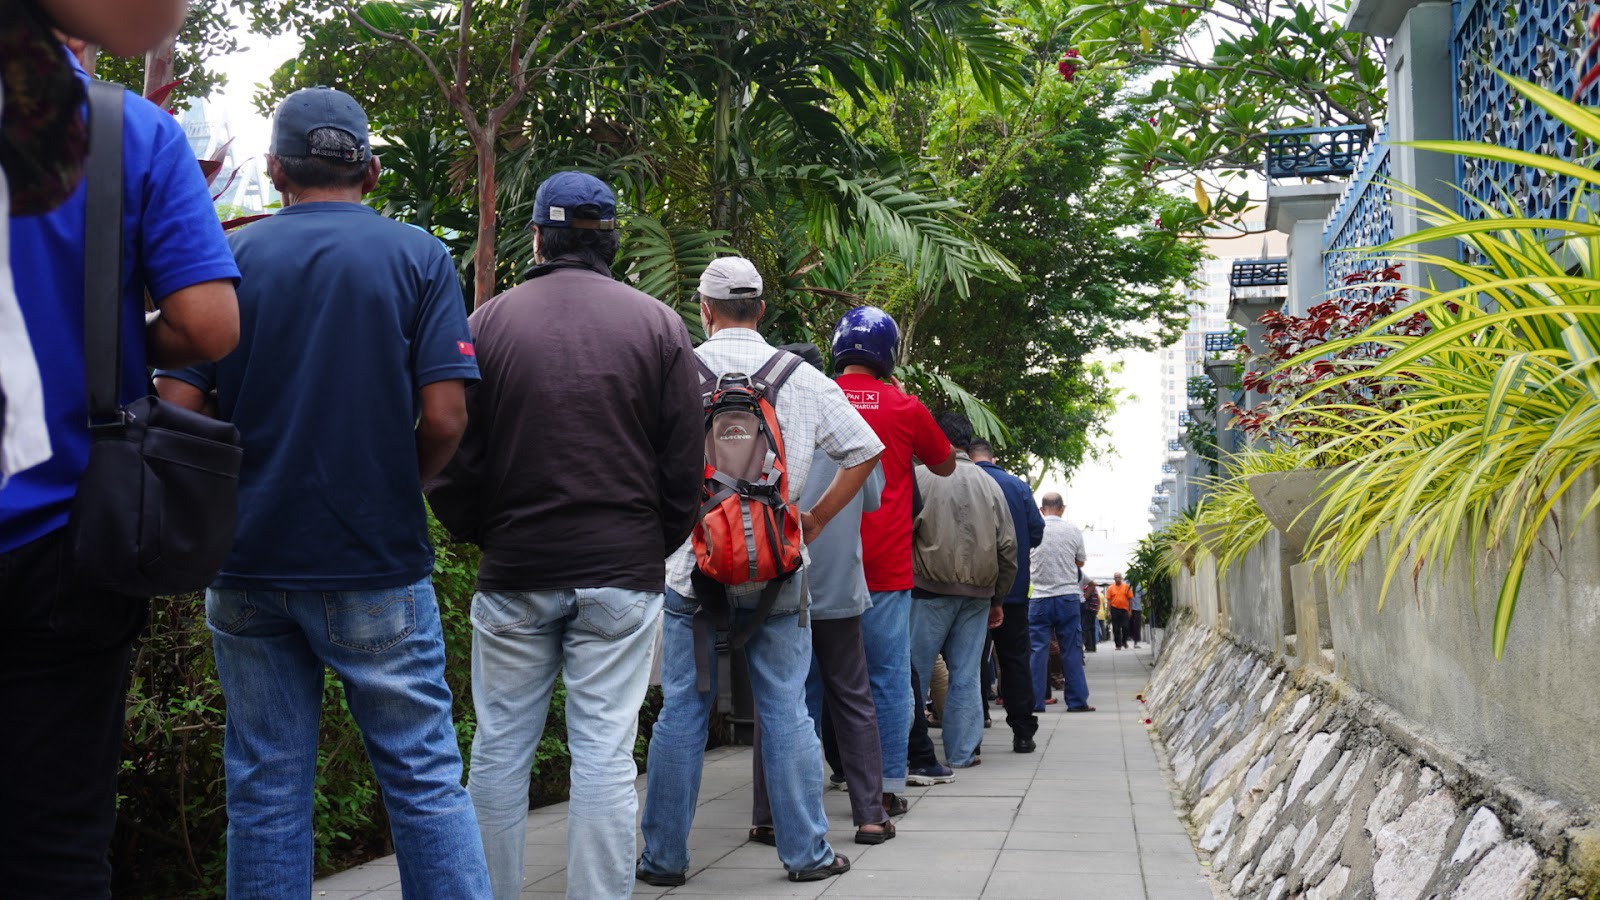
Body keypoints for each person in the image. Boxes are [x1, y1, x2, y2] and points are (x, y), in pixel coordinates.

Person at [154, 88, 489, 898]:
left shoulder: (229, 256)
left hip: (245, 559)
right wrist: (399, 482)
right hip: (374, 555)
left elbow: (175, 408)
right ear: (370, 170)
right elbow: (446, 416)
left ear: (274, 171)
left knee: (265, 787)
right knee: (422, 780)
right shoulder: (418, 257)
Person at [0, 36, 240, 894]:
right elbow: (209, 326)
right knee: (54, 844)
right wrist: (98, 338)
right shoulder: (125, 131)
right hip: (61, 532)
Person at [424, 172, 702, 900]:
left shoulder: (488, 322)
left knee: (498, 754)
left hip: (516, 568)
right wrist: (650, 544)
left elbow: (454, 455)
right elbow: (683, 468)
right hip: (621, 570)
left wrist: (485, 534)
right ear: (612, 239)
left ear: (538, 239)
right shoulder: (659, 325)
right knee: (605, 756)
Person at [638, 257, 883, 887]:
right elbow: (863, 450)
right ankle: (806, 854)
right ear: (764, 312)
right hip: (779, 566)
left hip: (691, 566)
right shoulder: (799, 376)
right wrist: (815, 520)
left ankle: (664, 858)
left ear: (705, 309)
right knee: (786, 710)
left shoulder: (673, 371)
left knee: (682, 713)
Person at [749, 343, 894, 846]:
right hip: (837, 583)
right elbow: (872, 500)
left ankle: (766, 817)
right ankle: (870, 816)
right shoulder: (843, 420)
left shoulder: (758, 419)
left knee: (779, 698)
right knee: (853, 697)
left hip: (780, 578)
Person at [832, 306, 956, 793]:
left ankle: (818, 780)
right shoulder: (905, 407)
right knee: (887, 679)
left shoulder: (814, 394)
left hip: (822, 563)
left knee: (816, 680)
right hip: (885, 565)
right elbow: (945, 465)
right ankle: (885, 785)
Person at [908, 411, 1017, 769]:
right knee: (967, 674)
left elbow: (903, 534)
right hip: (978, 595)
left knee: (914, 674)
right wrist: (998, 597)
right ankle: (962, 752)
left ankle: (907, 751)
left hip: (927, 590)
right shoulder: (990, 484)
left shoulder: (921, 477)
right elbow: (1007, 547)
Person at [967, 439, 1042, 753]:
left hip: (969, 589)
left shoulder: (961, 483)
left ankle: (973, 728)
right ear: (993, 458)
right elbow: (1036, 532)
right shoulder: (1018, 487)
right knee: (1014, 661)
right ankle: (1023, 732)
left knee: (968, 661)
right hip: (1012, 590)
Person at [1028, 494, 1093, 713]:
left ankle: (1036, 702)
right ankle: (1076, 701)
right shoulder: (1073, 530)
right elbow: (1080, 561)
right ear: (1062, 509)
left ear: (1041, 508)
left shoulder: (1032, 529)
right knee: (1071, 650)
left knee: (1037, 651)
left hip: (1039, 597)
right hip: (1067, 596)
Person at [1106, 572, 1134, 650]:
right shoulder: (1110, 588)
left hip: (1124, 609)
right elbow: (1108, 600)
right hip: (1114, 609)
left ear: (1121, 578)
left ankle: (1124, 641)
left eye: (1118, 577)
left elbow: (1130, 599)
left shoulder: (1126, 587)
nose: (1117, 578)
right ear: (1114, 579)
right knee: (1116, 628)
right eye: (1116, 577)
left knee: (1126, 627)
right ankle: (1118, 645)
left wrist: (1130, 610)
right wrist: (1108, 611)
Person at [1081, 578, 1100, 653]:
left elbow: (1085, 597)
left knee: (1086, 628)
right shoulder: (1093, 588)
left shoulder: (1086, 587)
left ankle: (1089, 647)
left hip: (1088, 609)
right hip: (1093, 609)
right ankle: (1093, 647)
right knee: (1092, 628)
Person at [1130, 584, 1145, 648]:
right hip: (1128, 608)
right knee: (1127, 625)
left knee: (1137, 625)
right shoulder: (1125, 583)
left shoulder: (1139, 584)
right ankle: (1124, 641)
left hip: (1137, 608)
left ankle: (1135, 642)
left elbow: (1143, 594)